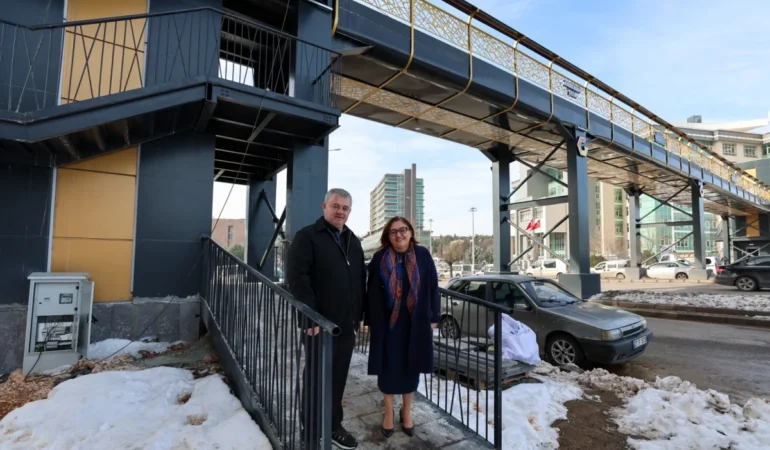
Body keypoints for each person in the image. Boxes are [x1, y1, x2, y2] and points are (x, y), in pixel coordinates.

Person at [286, 188, 366, 450]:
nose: (340, 211)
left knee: (338, 379)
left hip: (346, 326)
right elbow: (298, 278)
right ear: (324, 206)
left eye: (345, 208)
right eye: (336, 206)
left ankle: (333, 426)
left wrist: (360, 317)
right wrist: (310, 318)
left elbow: (359, 281)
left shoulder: (353, 241)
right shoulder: (307, 236)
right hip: (319, 327)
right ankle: (309, 432)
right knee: (315, 379)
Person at [365, 216, 440, 438]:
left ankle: (406, 411)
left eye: (403, 230)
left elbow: (433, 287)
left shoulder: (423, 255)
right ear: (388, 236)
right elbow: (372, 293)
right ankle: (388, 411)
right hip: (387, 324)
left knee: (411, 366)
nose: (399, 235)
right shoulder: (379, 258)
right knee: (387, 367)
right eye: (394, 231)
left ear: (410, 232)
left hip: (416, 323)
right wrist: (371, 321)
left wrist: (434, 316)